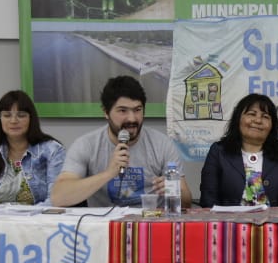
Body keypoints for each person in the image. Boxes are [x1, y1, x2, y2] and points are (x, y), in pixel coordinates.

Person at [51, 75, 192, 208]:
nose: (132, 118)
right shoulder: (86, 145)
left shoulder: (162, 144)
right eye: (123, 111)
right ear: (106, 112)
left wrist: (174, 190)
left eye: (137, 110)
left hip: (150, 220)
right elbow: (59, 197)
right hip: (104, 224)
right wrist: (109, 173)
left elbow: (187, 202)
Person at [200, 93, 278, 207]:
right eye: (252, 114)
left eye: (265, 116)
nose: (258, 120)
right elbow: (208, 199)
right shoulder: (219, 151)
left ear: (272, 125)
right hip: (229, 218)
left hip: (276, 218)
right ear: (238, 119)